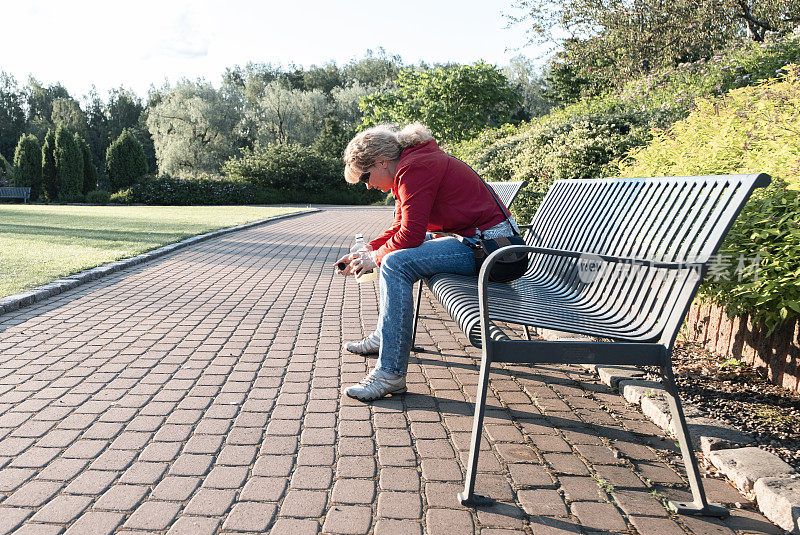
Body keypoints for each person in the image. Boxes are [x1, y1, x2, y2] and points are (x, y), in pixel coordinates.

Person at [335, 122, 519, 401]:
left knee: (397, 263)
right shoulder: (409, 166)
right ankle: (386, 336)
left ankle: (390, 374)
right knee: (394, 259)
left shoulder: (415, 168)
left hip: (498, 252)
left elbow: (411, 235)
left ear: (381, 162)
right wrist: (368, 251)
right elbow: (401, 226)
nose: (369, 186)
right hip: (478, 244)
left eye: (366, 177)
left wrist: (375, 257)